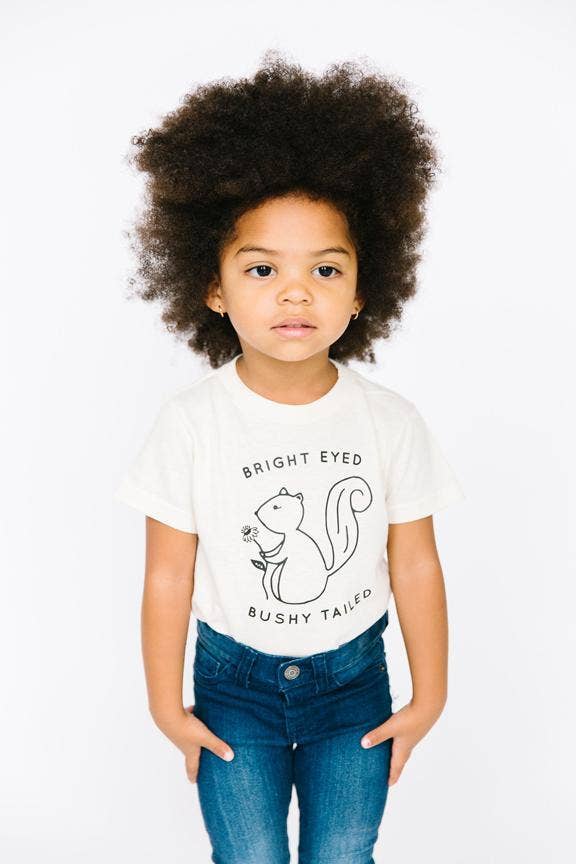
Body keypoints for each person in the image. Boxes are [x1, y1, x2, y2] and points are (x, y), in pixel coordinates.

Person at [114, 50, 466, 864]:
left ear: (363, 290)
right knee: (248, 856)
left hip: (354, 687)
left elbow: (415, 563)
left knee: (343, 853)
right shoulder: (191, 423)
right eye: (263, 268)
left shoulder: (389, 421)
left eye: (326, 268)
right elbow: (168, 574)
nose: (295, 291)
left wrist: (431, 695)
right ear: (212, 286)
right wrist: (167, 706)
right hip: (232, 689)